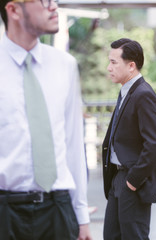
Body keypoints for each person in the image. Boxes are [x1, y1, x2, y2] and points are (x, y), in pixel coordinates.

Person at [0, 0, 92, 239]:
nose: (53, 7)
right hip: (5, 210)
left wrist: (81, 216)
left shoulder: (65, 65)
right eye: (43, 1)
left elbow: (73, 144)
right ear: (13, 10)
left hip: (57, 209)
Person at [102, 38, 156, 240]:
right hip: (118, 178)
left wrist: (133, 181)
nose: (108, 67)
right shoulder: (126, 91)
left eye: (113, 62)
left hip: (133, 181)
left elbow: (155, 143)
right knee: (111, 235)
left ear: (131, 66)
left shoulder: (143, 94)